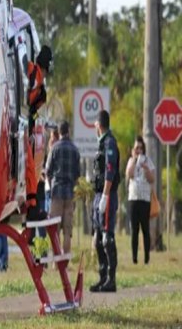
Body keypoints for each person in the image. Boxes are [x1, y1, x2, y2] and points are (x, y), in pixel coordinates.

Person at [90, 110, 120, 293]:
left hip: (107, 195)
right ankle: (102, 278)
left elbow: (110, 172)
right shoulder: (100, 144)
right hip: (98, 194)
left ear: (99, 125)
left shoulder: (109, 143)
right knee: (98, 239)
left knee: (107, 238)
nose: (94, 127)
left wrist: (106, 196)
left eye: (95, 124)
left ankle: (111, 279)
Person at [47, 120, 81, 256]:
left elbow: (48, 171)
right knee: (67, 230)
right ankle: (65, 261)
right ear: (68, 132)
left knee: (55, 229)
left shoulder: (54, 148)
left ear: (59, 133)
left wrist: (52, 185)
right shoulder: (75, 149)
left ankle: (56, 262)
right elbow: (78, 174)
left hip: (57, 193)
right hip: (70, 193)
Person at [126, 135, 155, 265]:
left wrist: (146, 169)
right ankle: (134, 257)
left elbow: (152, 179)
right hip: (133, 198)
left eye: (141, 148)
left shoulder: (148, 161)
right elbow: (129, 174)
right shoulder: (131, 160)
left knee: (145, 229)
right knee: (134, 230)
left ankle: (147, 257)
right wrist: (134, 160)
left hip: (144, 199)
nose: (139, 151)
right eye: (136, 148)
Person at [27, 45, 53, 137]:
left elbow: (32, 112)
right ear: (45, 68)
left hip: (28, 124)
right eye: (46, 71)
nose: (45, 76)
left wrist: (38, 121)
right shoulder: (31, 70)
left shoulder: (41, 92)